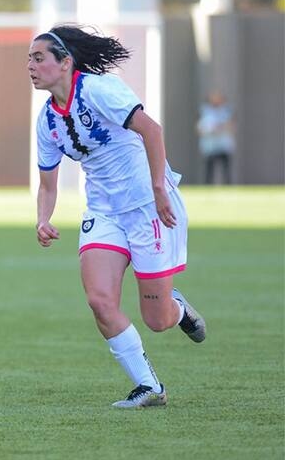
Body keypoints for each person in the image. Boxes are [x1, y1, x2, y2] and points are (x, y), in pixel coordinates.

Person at [28, 25, 206, 408]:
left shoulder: (98, 90)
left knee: (157, 319)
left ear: (65, 62)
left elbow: (151, 131)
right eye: (29, 58)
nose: (31, 65)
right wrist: (43, 218)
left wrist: (160, 189)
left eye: (38, 57)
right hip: (104, 212)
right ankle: (149, 387)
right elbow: (47, 184)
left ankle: (176, 307)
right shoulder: (47, 121)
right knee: (100, 301)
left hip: (147, 206)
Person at [197, 91, 235, 184]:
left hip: (223, 144)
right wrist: (209, 130)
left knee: (226, 168)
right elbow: (199, 128)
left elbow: (232, 125)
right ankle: (207, 186)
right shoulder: (204, 111)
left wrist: (221, 127)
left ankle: (228, 186)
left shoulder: (226, 111)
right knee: (209, 168)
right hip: (210, 145)